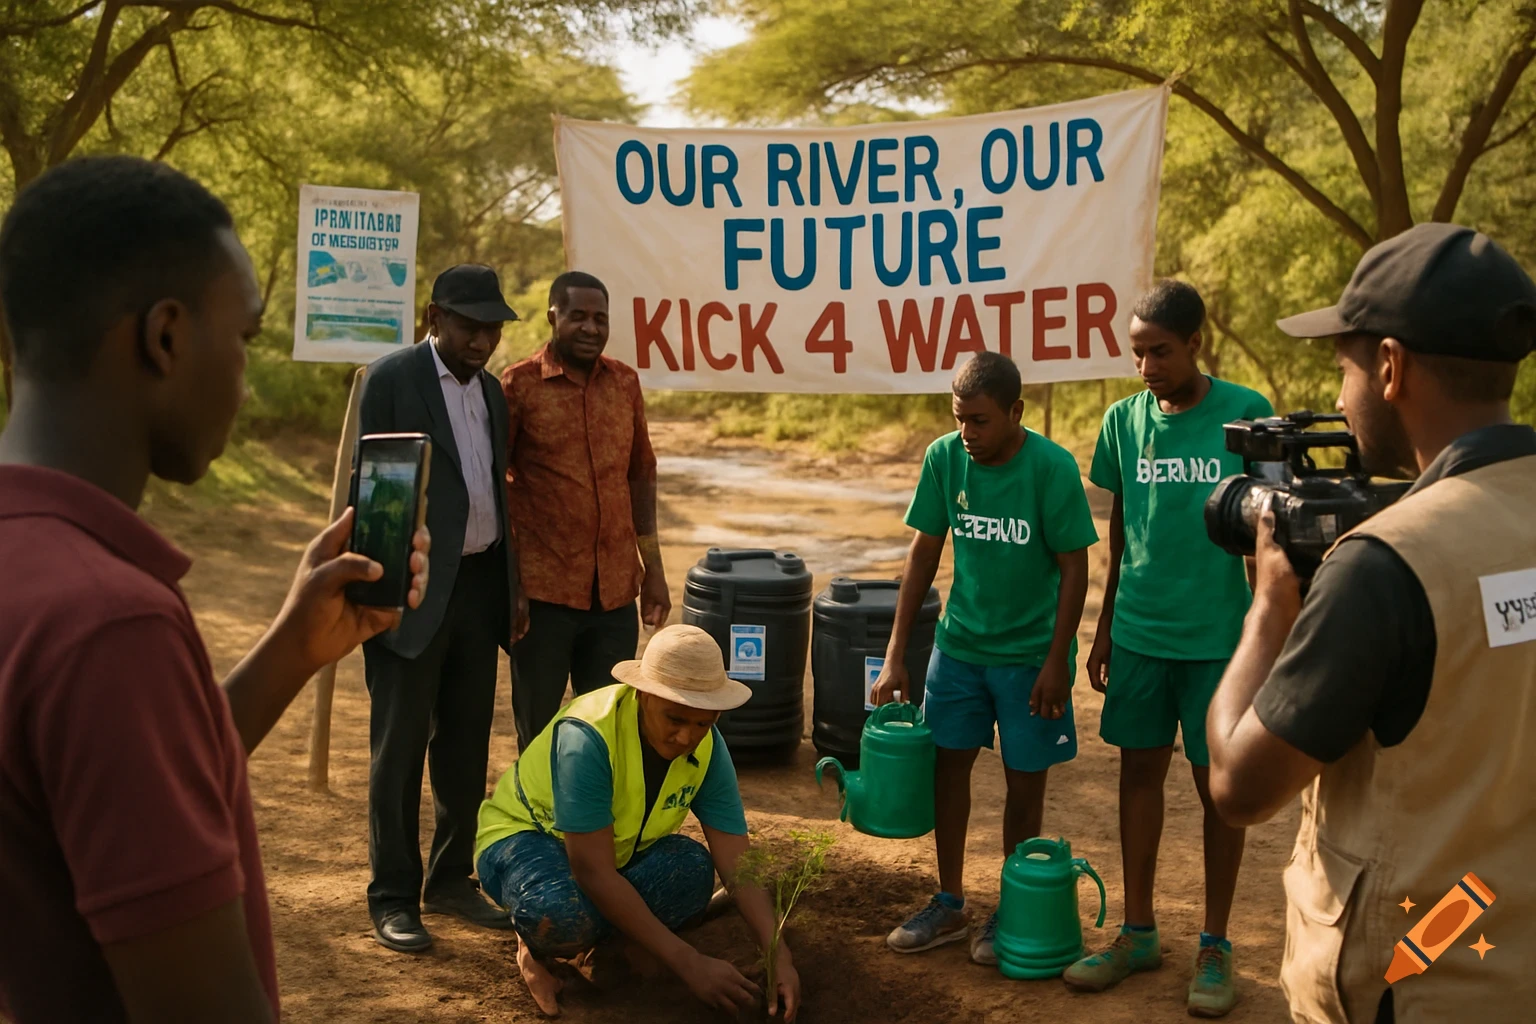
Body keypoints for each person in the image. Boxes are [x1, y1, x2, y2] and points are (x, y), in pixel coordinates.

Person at [0, 156, 428, 1022]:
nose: (242, 372)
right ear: (164, 337)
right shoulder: (109, 623)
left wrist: (292, 651)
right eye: (245, 337)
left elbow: (111, 795)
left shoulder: (36, 575)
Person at [1207, 223, 1536, 1024]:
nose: (1343, 392)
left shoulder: (1391, 560)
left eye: (1344, 366)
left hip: (1422, 982)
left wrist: (1268, 609)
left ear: (1390, 367)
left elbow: (1238, 786)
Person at [1065, 280, 1273, 1017]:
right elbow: (1124, 526)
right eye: (1137, 353)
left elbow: (1266, 531)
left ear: (1194, 344)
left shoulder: (1245, 413)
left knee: (1218, 790)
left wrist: (1266, 631)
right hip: (1141, 631)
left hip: (1220, 637)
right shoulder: (1123, 420)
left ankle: (1215, 945)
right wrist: (1105, 623)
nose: (1146, 366)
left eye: (1159, 351)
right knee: (1136, 776)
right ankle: (1138, 931)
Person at [871, 351, 1098, 966]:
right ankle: (948, 901)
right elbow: (923, 554)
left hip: (1029, 659)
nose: (967, 433)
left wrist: (1058, 660)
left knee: (1025, 786)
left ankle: (1010, 908)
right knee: (949, 770)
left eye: (980, 421)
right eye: (959, 419)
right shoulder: (945, 458)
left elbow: (1075, 568)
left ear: (1015, 412)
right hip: (959, 650)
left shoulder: (1051, 468)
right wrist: (896, 654)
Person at [475, 625, 802, 1020]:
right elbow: (591, 870)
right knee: (558, 915)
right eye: (675, 718)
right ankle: (530, 946)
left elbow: (736, 858)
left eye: (703, 723)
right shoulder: (588, 736)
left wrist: (777, 954)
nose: (686, 737)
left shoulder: (709, 746)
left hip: (612, 855)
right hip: (526, 840)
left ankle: (617, 935)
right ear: (645, 694)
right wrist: (687, 961)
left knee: (694, 872)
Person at [357, 263, 524, 952]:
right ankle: (393, 895)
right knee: (397, 749)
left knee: (463, 743)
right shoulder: (391, 380)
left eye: (492, 327)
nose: (483, 339)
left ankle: (451, 879)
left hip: (480, 588)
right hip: (414, 589)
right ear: (434, 317)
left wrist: (511, 587)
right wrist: (377, 596)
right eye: (469, 325)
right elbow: (372, 490)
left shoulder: (493, 393)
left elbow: (495, 493)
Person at [502, 270, 670, 749]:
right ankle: (537, 820)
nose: (590, 328)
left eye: (600, 318)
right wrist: (511, 584)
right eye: (577, 316)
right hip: (544, 596)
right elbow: (495, 485)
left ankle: (595, 823)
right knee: (538, 730)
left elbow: (641, 475)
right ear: (553, 316)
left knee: (608, 726)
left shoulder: (624, 384)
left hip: (615, 594)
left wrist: (652, 570)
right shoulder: (519, 386)